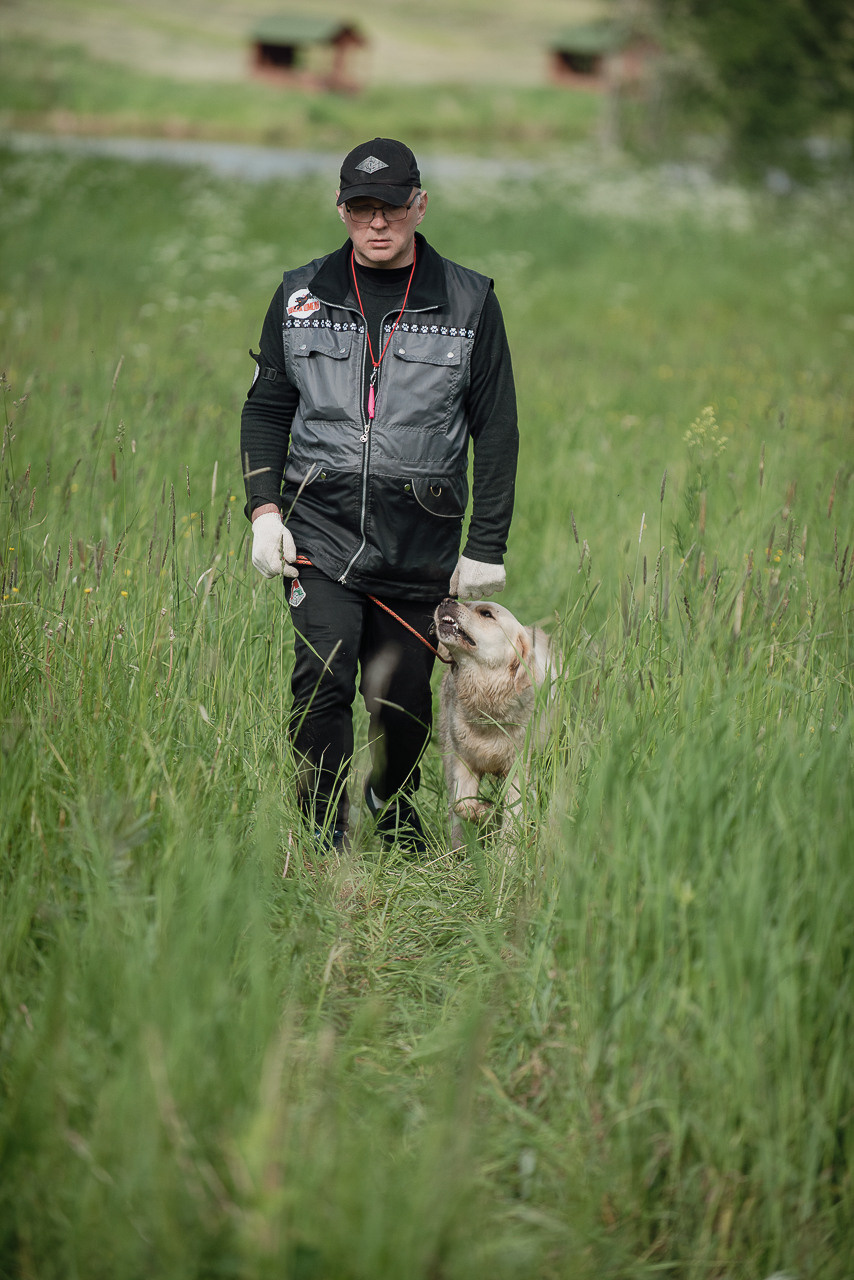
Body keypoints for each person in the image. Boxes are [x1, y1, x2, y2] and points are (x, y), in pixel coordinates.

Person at [240, 137, 518, 853]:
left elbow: (497, 427)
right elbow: (267, 408)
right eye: (362, 208)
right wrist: (265, 512)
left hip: (419, 546)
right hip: (321, 534)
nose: (377, 223)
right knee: (322, 679)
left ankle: (390, 804)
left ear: (418, 205)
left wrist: (484, 545)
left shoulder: (469, 300)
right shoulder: (301, 296)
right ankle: (325, 831)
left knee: (403, 705)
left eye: (392, 207)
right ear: (341, 209)